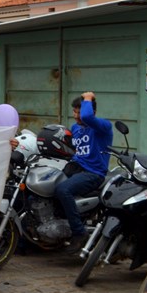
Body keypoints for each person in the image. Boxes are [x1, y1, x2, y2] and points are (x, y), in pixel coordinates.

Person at [56, 92, 113, 251]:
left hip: (93, 173)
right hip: (75, 168)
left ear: (92, 112)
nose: (76, 116)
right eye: (74, 112)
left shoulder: (103, 127)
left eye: (79, 111)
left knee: (63, 189)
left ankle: (79, 233)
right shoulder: (76, 128)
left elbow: (87, 117)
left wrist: (88, 98)